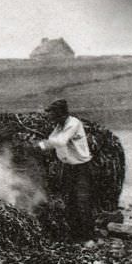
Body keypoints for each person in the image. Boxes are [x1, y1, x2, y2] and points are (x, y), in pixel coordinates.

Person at [34, 99, 95, 242]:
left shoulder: (73, 124)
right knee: (70, 201)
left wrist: (40, 145)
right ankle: (75, 235)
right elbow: (52, 139)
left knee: (82, 201)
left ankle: (88, 238)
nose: (51, 118)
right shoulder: (60, 125)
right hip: (68, 168)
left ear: (62, 114)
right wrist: (41, 146)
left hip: (82, 168)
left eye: (53, 114)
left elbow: (60, 141)